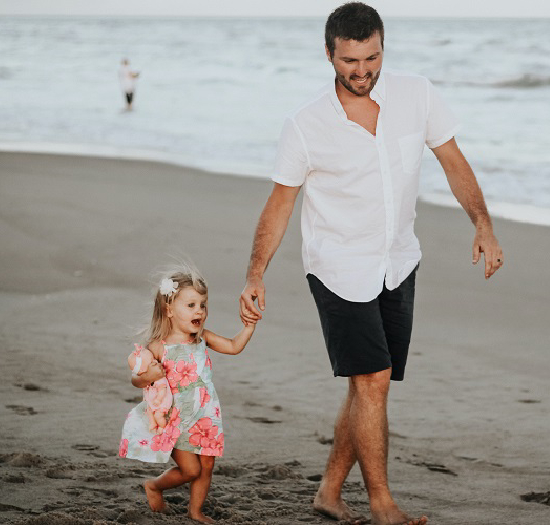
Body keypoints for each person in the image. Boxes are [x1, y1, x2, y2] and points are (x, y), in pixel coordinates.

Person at [239, 3, 503, 524]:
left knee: (367, 385)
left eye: (372, 58)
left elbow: (452, 159)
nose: (362, 71)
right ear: (329, 54)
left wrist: (483, 223)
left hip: (398, 261)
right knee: (373, 379)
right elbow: (280, 204)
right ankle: (382, 505)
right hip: (337, 266)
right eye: (349, 61)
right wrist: (255, 273)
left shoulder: (416, 94)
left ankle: (329, 493)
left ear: (384, 46)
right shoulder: (306, 125)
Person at [120, 264, 257, 523]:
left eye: (203, 305)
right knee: (191, 469)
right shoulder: (158, 347)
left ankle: (195, 511)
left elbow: (232, 346)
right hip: (176, 419)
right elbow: (136, 378)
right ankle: (154, 486)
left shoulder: (202, 338)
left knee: (206, 466)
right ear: (169, 309)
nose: (200, 312)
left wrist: (248, 328)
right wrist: (148, 376)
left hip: (206, 415)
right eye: (191, 305)